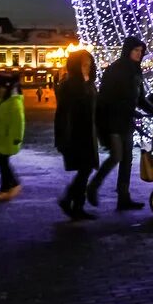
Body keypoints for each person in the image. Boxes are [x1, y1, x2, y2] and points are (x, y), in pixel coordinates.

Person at [88, 36, 153, 210]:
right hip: (112, 120)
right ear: (128, 50)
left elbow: (139, 98)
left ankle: (123, 197)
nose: (139, 54)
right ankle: (93, 186)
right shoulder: (116, 70)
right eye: (136, 50)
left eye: (141, 51)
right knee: (117, 156)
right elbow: (109, 98)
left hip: (127, 121)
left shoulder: (136, 71)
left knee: (127, 159)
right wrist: (132, 111)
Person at [54, 49, 99, 220]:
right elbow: (63, 112)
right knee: (85, 169)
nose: (87, 68)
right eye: (83, 65)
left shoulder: (89, 83)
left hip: (89, 132)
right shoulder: (70, 85)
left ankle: (76, 205)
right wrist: (62, 137)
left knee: (86, 170)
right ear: (75, 66)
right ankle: (70, 201)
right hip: (76, 133)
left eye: (89, 64)